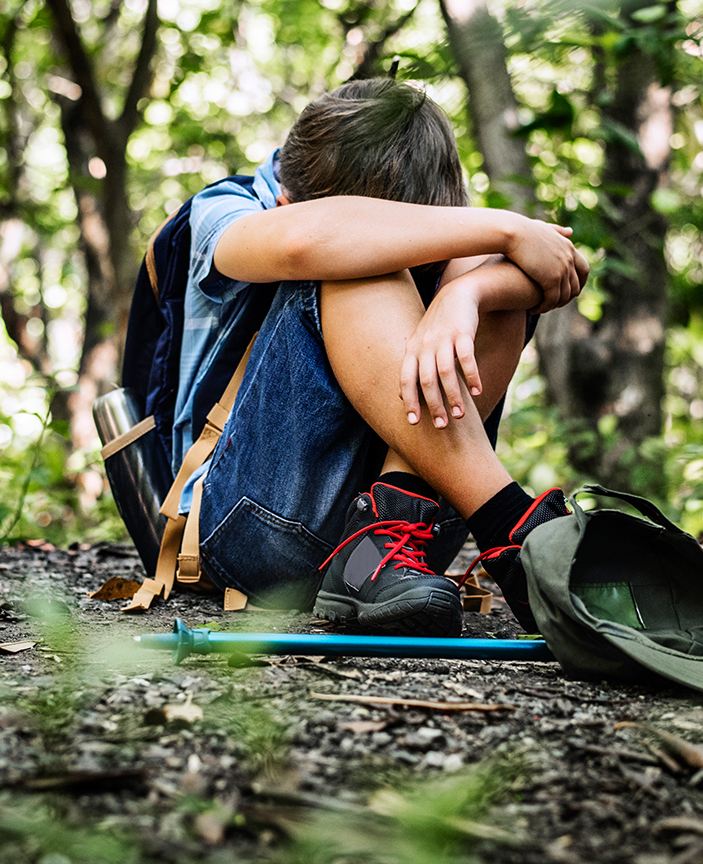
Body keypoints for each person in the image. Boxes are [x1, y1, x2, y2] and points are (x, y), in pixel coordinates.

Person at [174, 77, 588, 637]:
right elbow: (303, 242)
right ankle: (508, 524)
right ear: (283, 202)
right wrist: (510, 226)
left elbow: (558, 273)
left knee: (481, 265)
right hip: (256, 527)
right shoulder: (227, 206)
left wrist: (465, 294)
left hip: (406, 553)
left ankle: (387, 523)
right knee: (354, 258)